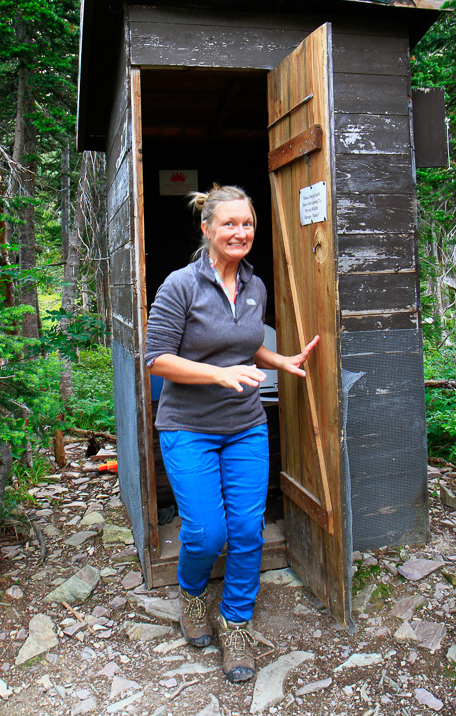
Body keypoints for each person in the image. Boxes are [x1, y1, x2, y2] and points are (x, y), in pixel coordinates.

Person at [144, 184, 319, 683]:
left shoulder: (255, 286)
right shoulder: (180, 285)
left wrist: (277, 359)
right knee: (206, 531)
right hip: (189, 427)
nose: (240, 233)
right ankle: (193, 593)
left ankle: (235, 621)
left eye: (247, 225)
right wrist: (220, 374)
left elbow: (244, 343)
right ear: (207, 228)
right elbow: (156, 358)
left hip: (244, 426)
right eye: (229, 224)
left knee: (246, 530)